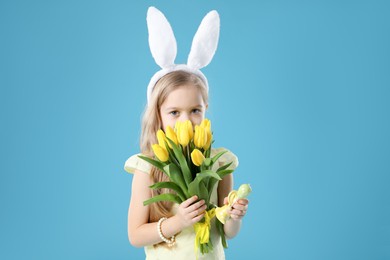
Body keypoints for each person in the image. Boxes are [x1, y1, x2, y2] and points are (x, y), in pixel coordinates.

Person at [124, 7, 249, 260]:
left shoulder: (220, 163)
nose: (186, 121)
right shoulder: (148, 166)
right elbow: (135, 235)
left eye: (194, 110)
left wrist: (233, 216)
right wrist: (177, 221)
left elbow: (228, 232)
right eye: (174, 112)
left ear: (206, 110)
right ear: (157, 114)